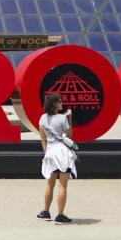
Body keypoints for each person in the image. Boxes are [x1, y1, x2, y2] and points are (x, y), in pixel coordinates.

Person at [36, 94, 77, 225]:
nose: (62, 103)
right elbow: (69, 136)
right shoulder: (61, 118)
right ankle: (60, 216)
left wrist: (46, 154)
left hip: (50, 151)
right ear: (54, 104)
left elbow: (43, 139)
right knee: (63, 185)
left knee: (50, 183)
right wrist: (69, 119)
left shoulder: (42, 118)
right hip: (62, 151)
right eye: (59, 101)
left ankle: (45, 212)